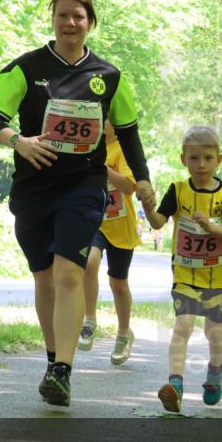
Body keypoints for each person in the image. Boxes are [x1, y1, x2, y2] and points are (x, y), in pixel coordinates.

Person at [0, 0, 155, 407]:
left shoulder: (110, 76)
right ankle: (51, 358)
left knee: (68, 275)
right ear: (53, 20)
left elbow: (128, 131)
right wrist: (19, 142)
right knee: (43, 277)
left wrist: (145, 180)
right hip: (34, 187)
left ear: (90, 22)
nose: (70, 23)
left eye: (78, 16)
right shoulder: (25, 68)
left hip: (83, 185)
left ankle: (64, 368)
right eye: (63, 15)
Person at [141, 126, 222, 413]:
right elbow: (159, 223)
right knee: (182, 327)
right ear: (183, 158)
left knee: (214, 332)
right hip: (185, 275)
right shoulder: (178, 190)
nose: (201, 164)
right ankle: (175, 384)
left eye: (208, 158)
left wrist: (211, 227)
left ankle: (214, 375)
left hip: (221, 277)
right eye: (195, 158)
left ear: (218, 160)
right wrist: (149, 207)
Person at [77, 122, 140, 364]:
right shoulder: (87, 146)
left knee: (118, 283)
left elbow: (128, 186)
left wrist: (101, 167)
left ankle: (124, 333)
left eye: (109, 120)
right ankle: (89, 320)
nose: (103, 124)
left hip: (121, 225)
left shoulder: (122, 149)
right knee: (89, 262)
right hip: (95, 221)